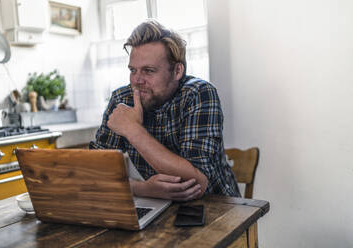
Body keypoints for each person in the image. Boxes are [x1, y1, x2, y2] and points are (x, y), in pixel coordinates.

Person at [90, 20, 241, 200]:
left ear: (177, 71)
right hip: (157, 206)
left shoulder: (198, 93)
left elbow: (197, 183)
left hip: (217, 208)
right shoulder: (122, 100)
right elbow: (93, 174)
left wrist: (133, 130)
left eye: (148, 70)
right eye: (133, 70)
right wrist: (141, 189)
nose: (137, 81)